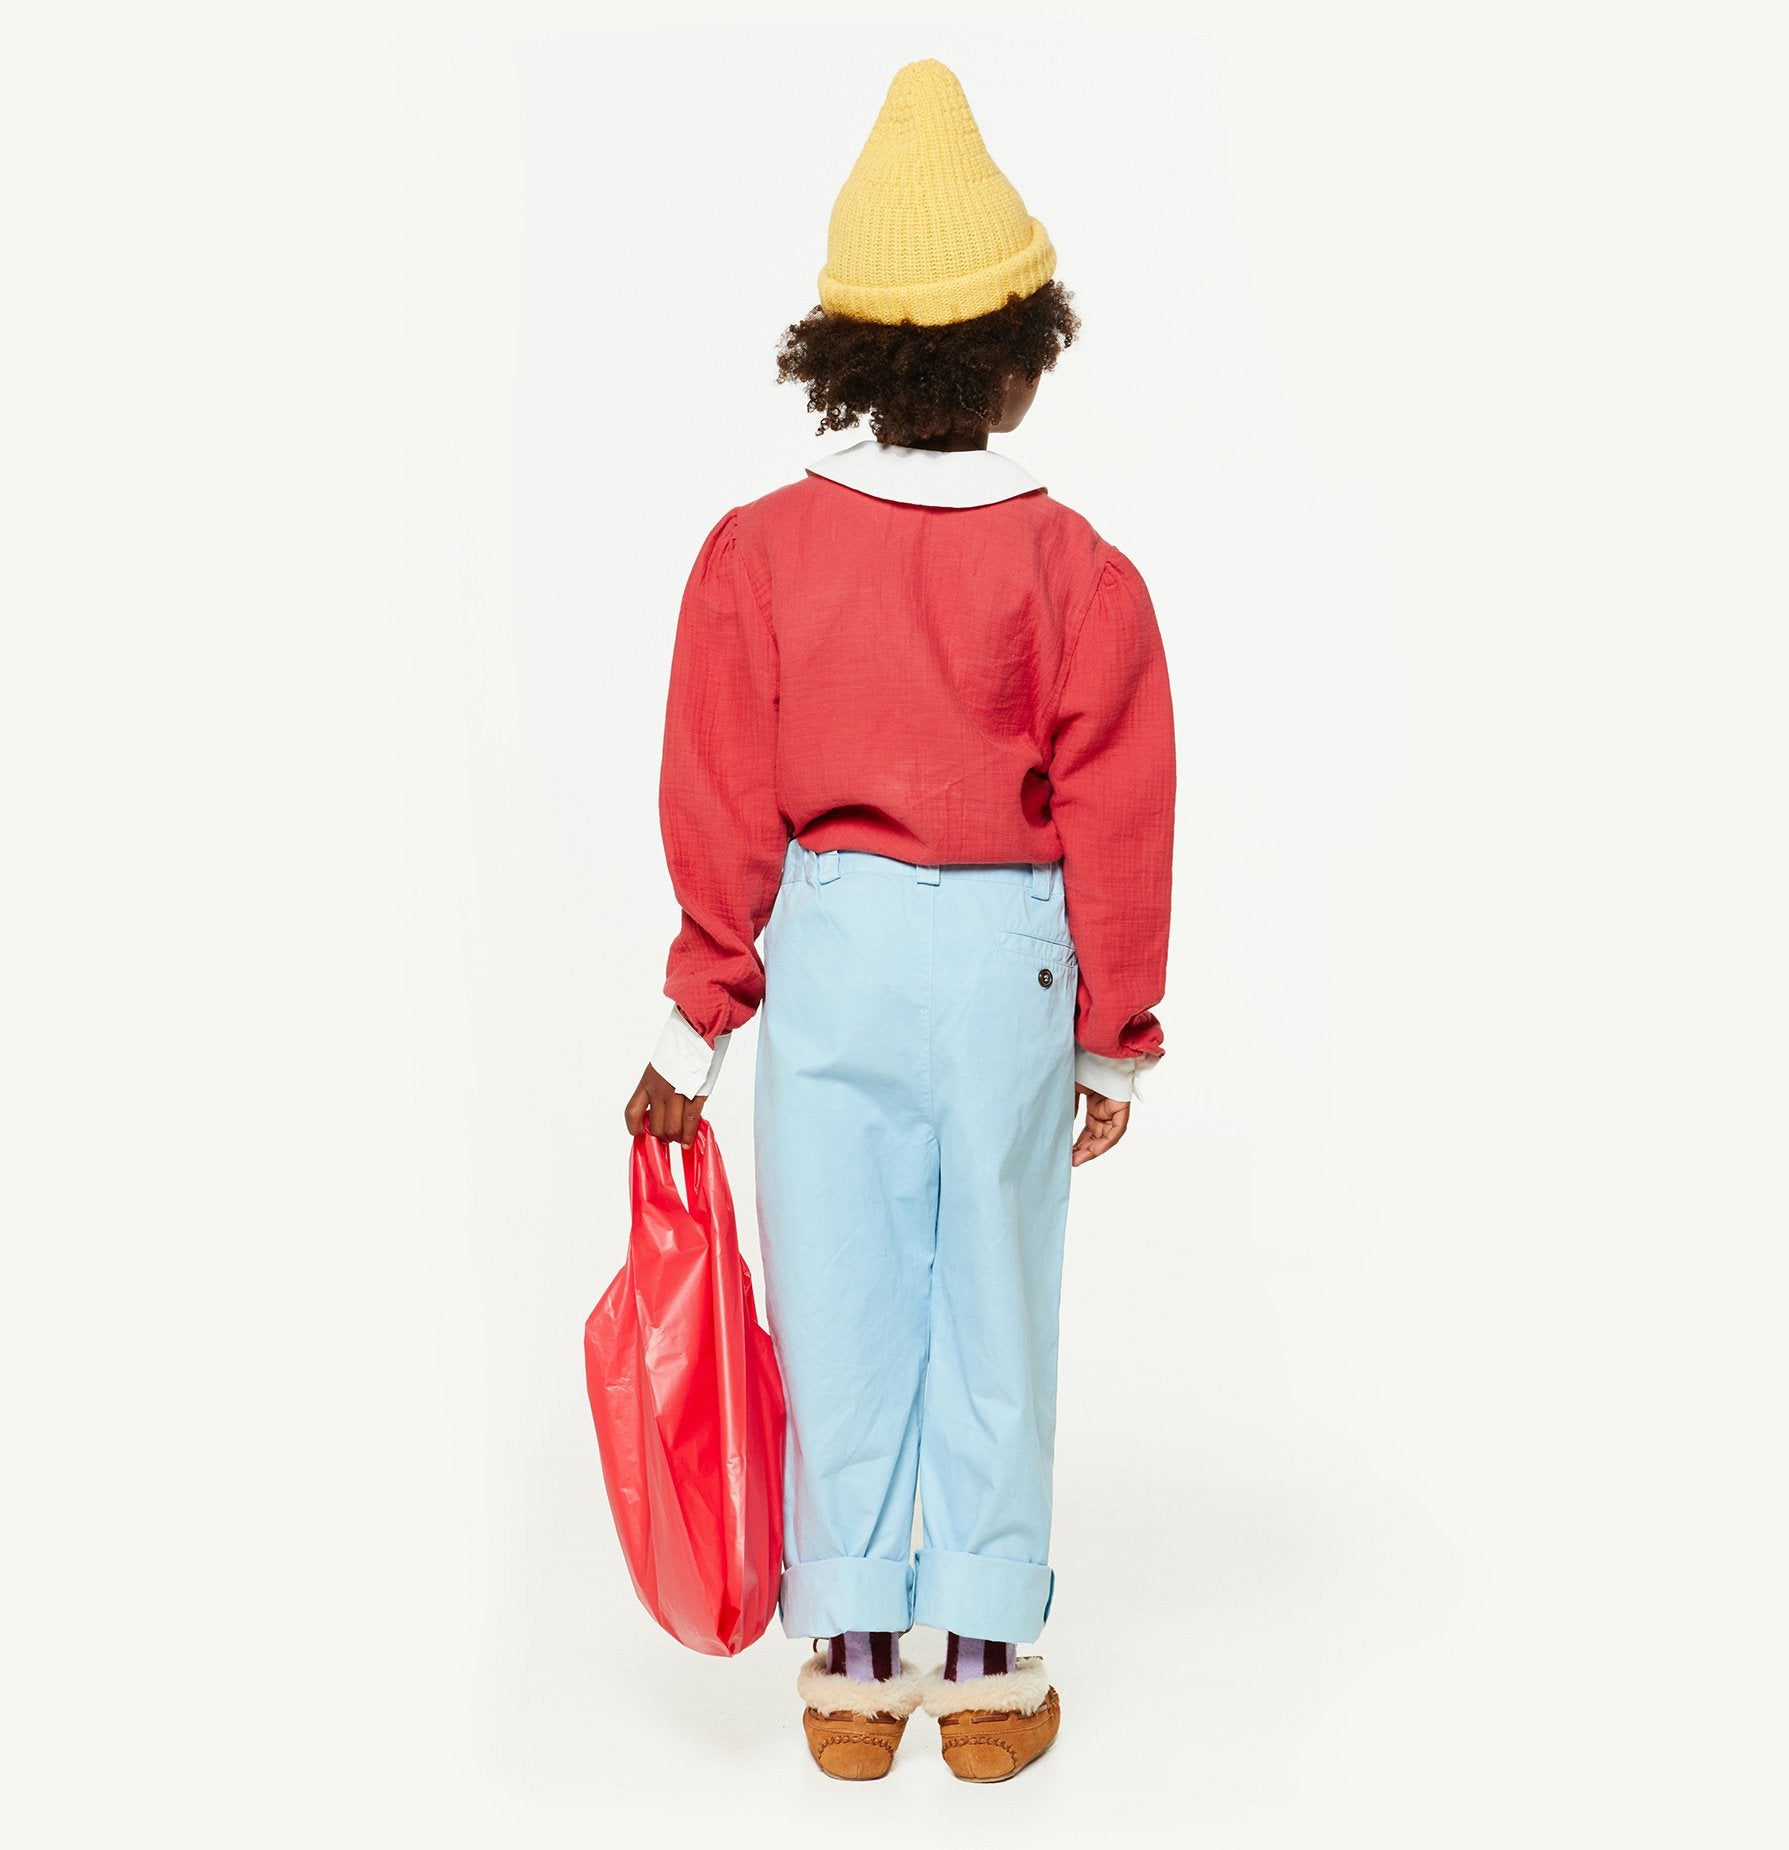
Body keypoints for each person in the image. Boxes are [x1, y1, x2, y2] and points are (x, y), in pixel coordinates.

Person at [625, 58, 1175, 1783]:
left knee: (841, 1292)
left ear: (847, 361)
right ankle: (989, 1655)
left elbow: (720, 800)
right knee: (996, 1292)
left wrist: (691, 1027)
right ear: (1018, 360)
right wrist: (1111, 1035)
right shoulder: (1077, 571)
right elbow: (1120, 810)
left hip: (835, 949)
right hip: (1011, 955)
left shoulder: (757, 556)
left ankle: (854, 1660)